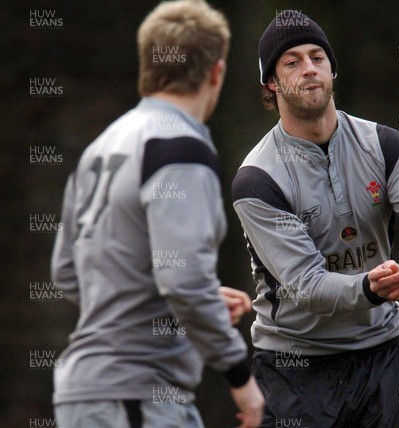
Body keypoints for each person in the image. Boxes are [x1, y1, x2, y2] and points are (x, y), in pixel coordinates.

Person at [231, 10, 399, 427]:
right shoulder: (257, 179)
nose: (309, 69)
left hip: (380, 356)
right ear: (271, 84)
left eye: (317, 57)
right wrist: (367, 287)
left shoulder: (384, 146)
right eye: (292, 61)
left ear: (332, 68)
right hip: (293, 367)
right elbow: (307, 287)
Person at [50, 1, 264, 427]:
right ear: (216, 72)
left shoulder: (101, 147)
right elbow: (182, 279)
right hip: (136, 395)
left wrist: (186, 301)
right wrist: (243, 381)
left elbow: (67, 273)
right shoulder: (180, 146)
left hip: (85, 395)